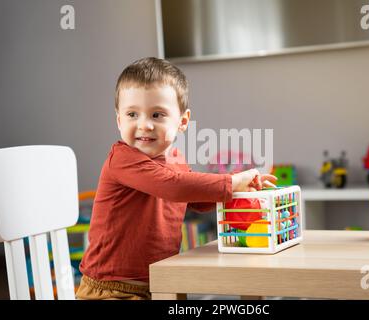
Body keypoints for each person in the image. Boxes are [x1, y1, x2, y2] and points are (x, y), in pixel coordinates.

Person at [76, 57, 276, 300]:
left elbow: (196, 199)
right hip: (111, 289)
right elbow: (172, 187)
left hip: (162, 282)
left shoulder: (176, 159)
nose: (144, 125)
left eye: (157, 115)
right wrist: (232, 181)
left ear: (182, 121)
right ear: (119, 120)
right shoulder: (122, 158)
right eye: (132, 114)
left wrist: (240, 190)